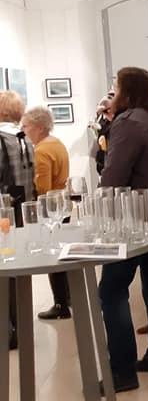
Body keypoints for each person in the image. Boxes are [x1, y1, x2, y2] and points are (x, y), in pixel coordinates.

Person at [98, 67, 148, 393]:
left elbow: (114, 175)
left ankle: (122, 371)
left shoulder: (129, 122)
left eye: (116, 87)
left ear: (126, 89)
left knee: (112, 290)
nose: (113, 92)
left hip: (134, 216)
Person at [20, 105, 71, 320]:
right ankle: (67, 298)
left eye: (26, 126)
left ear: (39, 127)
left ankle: (60, 304)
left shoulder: (41, 150)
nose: (23, 130)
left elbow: (42, 188)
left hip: (50, 209)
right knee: (62, 255)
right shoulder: (57, 143)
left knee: (54, 258)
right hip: (63, 204)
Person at [0, 91, 34, 351]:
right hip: (20, 212)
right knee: (15, 270)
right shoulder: (24, 138)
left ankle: (9, 329)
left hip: (3, 213)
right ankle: (19, 325)